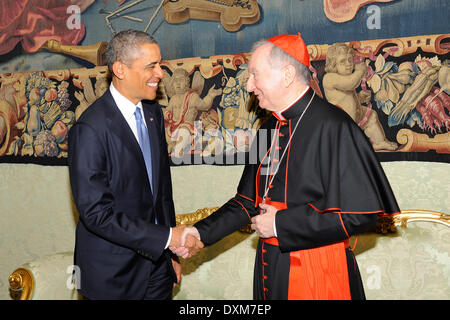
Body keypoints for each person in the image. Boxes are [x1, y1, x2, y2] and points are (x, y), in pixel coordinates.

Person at [178, 33, 400, 300]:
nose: (249, 86)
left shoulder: (335, 126)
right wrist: (198, 232)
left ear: (286, 75)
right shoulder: (268, 126)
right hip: (270, 267)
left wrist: (282, 224)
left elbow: (359, 215)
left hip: (318, 270)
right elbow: (246, 201)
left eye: (255, 75)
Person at [68, 29, 203, 300]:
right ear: (120, 69)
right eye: (151, 66)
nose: (160, 73)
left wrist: (170, 255)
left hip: (157, 269)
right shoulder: (90, 129)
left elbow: (161, 193)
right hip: (113, 276)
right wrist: (167, 238)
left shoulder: (153, 112)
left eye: (160, 64)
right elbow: (97, 213)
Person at [323, 43, 397, 151]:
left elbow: (346, 97)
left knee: (372, 116)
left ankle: (379, 142)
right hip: (341, 121)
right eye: (342, 61)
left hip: (356, 115)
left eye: (350, 59)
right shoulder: (329, 78)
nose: (348, 64)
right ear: (333, 64)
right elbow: (350, 83)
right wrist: (359, 71)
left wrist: (359, 98)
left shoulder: (346, 76)